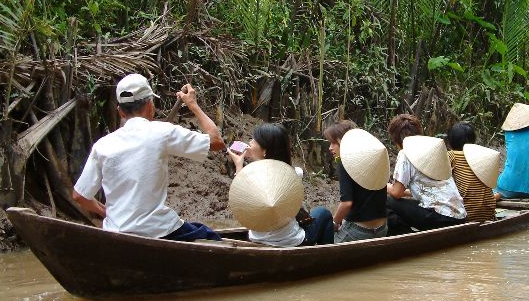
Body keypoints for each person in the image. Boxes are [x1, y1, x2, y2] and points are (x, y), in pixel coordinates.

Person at [72, 73, 226, 241]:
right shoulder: (163, 132)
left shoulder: (102, 145)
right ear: (150, 105)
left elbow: (79, 196)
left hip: (115, 231)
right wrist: (193, 105)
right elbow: (217, 142)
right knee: (212, 238)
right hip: (156, 228)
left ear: (120, 112)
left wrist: (107, 212)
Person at [228, 123, 333, 246]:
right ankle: (325, 257)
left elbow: (237, 201)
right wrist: (257, 156)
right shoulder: (294, 174)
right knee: (323, 213)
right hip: (291, 240)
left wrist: (239, 166)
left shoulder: (248, 178)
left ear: (265, 151)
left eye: (254, 140)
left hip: (257, 239)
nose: (250, 142)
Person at [385, 114, 467, 235]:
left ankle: (406, 236)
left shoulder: (405, 153)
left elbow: (396, 193)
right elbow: (429, 188)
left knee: (383, 201)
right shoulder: (435, 151)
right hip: (459, 217)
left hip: (439, 218)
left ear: (396, 139)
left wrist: (381, 185)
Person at [324, 120, 388, 243]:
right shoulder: (374, 159)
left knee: (325, 242)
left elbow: (347, 203)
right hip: (382, 229)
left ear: (343, 142)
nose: (330, 147)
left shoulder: (344, 162)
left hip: (358, 232)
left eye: (333, 142)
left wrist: (334, 223)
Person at [446, 122, 498, 222]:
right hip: (488, 212)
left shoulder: (451, 156)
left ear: (451, 141)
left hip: (467, 214)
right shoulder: (483, 155)